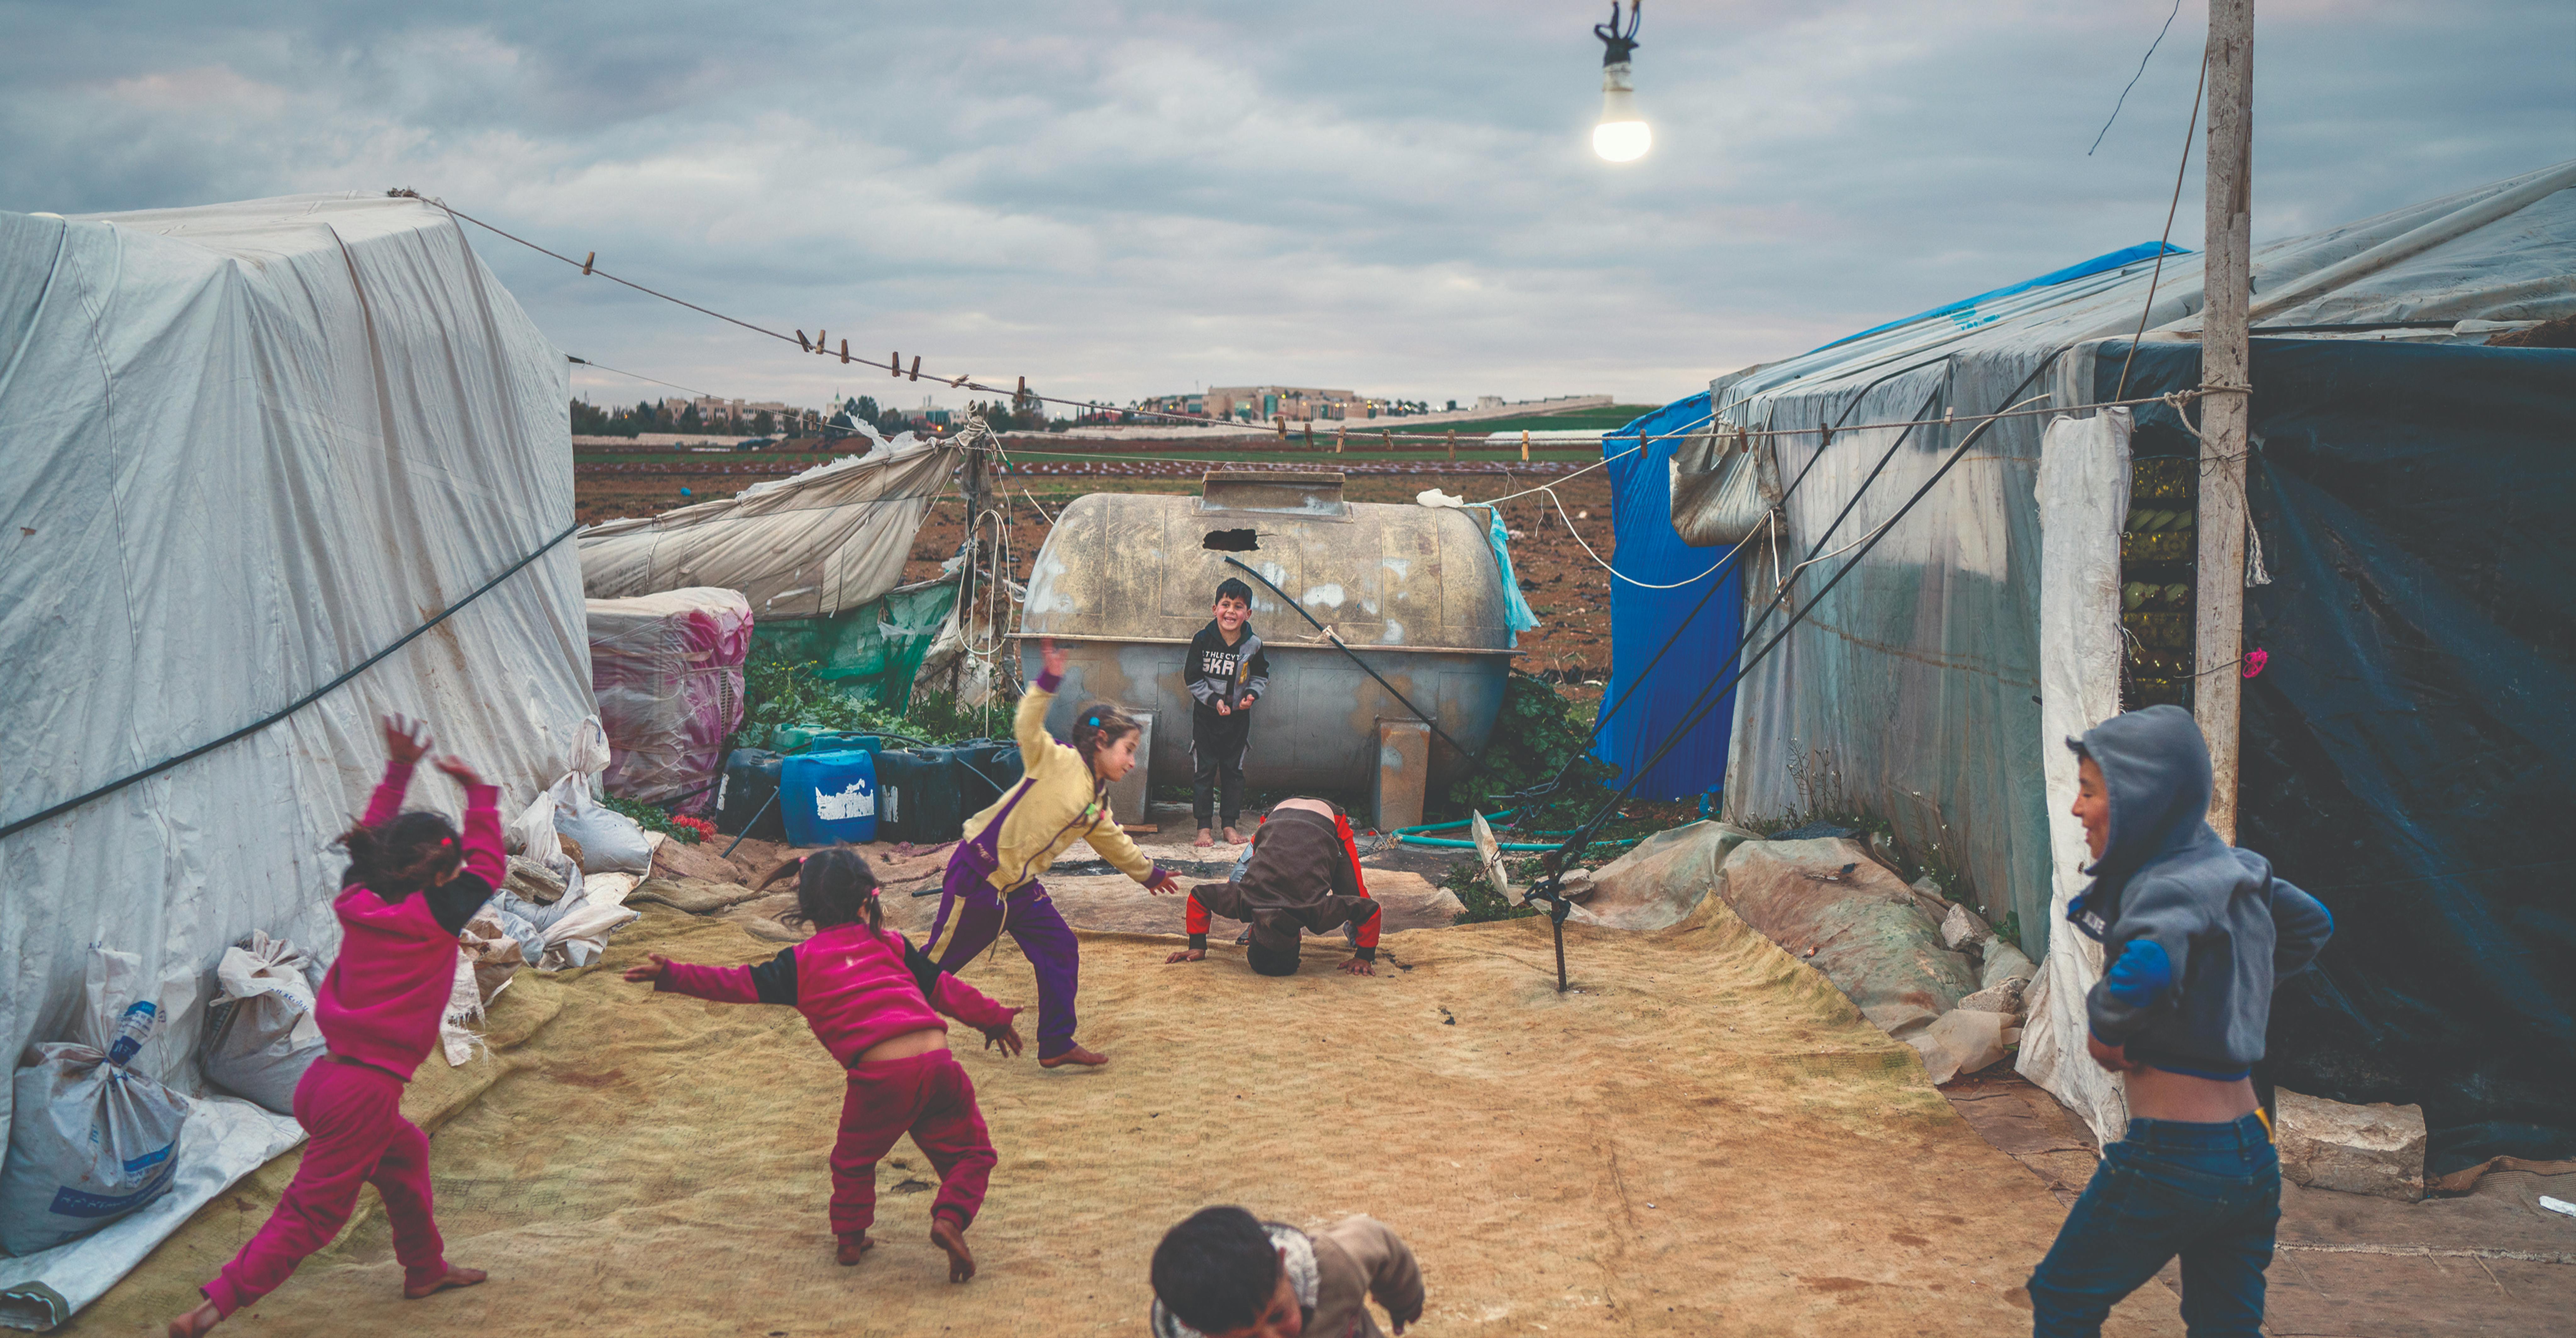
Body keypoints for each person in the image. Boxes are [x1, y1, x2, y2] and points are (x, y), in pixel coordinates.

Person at [169, 716, 498, 1337]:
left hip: (321, 1080)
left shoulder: (361, 901)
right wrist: (480, 795)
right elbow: (489, 867)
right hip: (362, 1096)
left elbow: (371, 842)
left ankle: (424, 1267)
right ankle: (213, 1309)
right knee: (310, 1213)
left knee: (408, 1152)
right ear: (440, 873)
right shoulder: (437, 915)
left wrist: (400, 769)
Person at [2026, 704, 2335, 1337]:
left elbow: (2144, 967)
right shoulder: (2232, 868)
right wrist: (2227, 989)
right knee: (2225, 1325)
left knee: (2063, 1295)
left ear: (2142, 799)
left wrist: (2106, 1034)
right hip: (2252, 1153)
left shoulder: (2164, 886)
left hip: (2172, 1158)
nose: (2077, 809)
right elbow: (2311, 924)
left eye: (2089, 790)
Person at [625, 846, 1023, 1282]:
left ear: (807, 908)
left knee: (854, 1159)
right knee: (973, 1152)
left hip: (880, 1076)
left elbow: (734, 983)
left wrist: (673, 975)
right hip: (939, 1062)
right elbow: (944, 989)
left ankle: (851, 1240)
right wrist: (996, 1017)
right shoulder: (891, 943)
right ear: (866, 898)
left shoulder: (798, 963)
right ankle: (950, 1217)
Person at [924, 636, 1180, 1068]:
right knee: (935, 965)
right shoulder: (1056, 760)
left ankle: (1057, 1041)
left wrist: (1149, 873)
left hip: (1020, 889)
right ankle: (883, 1016)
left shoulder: (1098, 802)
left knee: (1060, 947)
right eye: (1129, 750)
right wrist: (1046, 681)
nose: (1133, 761)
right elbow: (1027, 724)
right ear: (1100, 741)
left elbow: (1114, 841)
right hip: (979, 877)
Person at [1163, 798, 1381, 977]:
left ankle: (1358, 937)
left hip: (1314, 819)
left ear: (1299, 938)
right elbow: (1199, 897)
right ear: (1253, 931)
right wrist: (1197, 945)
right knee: (1236, 885)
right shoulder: (1244, 899)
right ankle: (1359, 937)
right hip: (1278, 817)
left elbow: (1371, 909)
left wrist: (1364, 955)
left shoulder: (1317, 912)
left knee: (1356, 901)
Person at [1150, 1206, 1422, 1338]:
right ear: (1193, 1328)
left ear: (1283, 1264)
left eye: (1278, 1315)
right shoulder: (1199, 1312)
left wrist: (1405, 1302)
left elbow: (1379, 1241)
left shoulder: (1335, 1264)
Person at [1185, 577, 1269, 849]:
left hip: (1237, 720)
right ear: (1215, 609)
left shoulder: (1253, 644)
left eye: (1239, 606)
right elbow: (1193, 678)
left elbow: (1260, 674)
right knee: (1204, 770)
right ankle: (1204, 828)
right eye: (1226, 605)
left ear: (1249, 614)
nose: (1231, 612)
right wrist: (1213, 701)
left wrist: (1251, 696)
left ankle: (1229, 825)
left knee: (1234, 772)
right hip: (1207, 718)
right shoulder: (1202, 640)